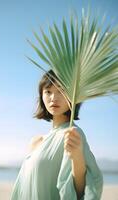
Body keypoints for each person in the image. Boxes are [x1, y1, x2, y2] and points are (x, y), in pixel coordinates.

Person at [10, 69, 103, 200]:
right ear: (41, 96)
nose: (54, 98)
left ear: (73, 95)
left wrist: (77, 157)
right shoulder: (35, 141)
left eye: (61, 91)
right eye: (48, 91)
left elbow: (81, 192)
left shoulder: (72, 134)